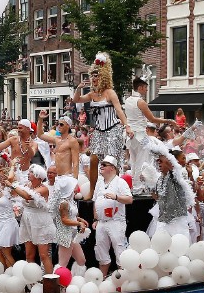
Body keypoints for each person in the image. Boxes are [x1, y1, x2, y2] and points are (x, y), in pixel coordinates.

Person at [70, 53, 132, 194]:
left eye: (96, 75)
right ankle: (92, 191)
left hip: (112, 130)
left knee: (111, 162)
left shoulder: (110, 92)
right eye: (92, 76)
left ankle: (114, 189)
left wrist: (127, 126)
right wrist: (79, 88)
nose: (94, 78)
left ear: (103, 76)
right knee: (93, 160)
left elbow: (119, 111)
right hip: (98, 131)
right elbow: (76, 100)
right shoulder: (92, 94)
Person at [120, 78, 170, 194]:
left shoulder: (127, 100)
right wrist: (168, 121)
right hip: (140, 136)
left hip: (129, 136)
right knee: (140, 161)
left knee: (133, 160)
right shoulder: (141, 102)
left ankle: (134, 187)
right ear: (141, 87)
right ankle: (137, 188)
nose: (147, 90)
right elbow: (152, 119)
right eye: (146, 88)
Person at [7, 164, 56, 273]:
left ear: (38, 176)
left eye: (31, 173)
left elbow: (28, 196)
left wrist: (12, 185)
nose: (28, 174)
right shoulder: (27, 185)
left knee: (43, 255)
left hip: (40, 222)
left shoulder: (44, 189)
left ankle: (50, 284)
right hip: (27, 220)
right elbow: (18, 194)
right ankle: (31, 281)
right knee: (29, 254)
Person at [92, 156, 132, 275]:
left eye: (105, 165)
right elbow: (95, 201)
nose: (101, 166)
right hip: (102, 222)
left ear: (113, 168)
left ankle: (123, 283)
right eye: (101, 164)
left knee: (119, 251)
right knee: (101, 252)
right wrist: (95, 219)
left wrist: (116, 197)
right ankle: (102, 278)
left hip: (116, 221)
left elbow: (129, 199)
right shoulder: (99, 182)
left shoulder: (120, 182)